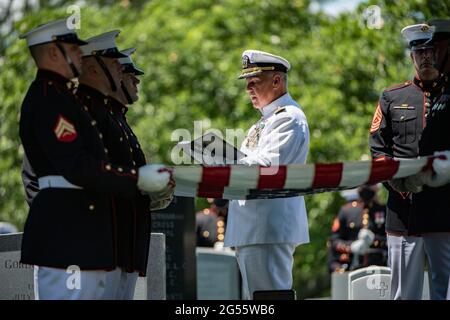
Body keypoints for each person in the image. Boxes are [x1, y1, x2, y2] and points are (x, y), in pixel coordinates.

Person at [18, 18, 171, 300]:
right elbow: (77, 166)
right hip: (69, 231)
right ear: (53, 53)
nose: (80, 53)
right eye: (74, 49)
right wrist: (137, 180)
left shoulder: (62, 98)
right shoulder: (49, 97)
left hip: (87, 232)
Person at [224, 50, 310, 299]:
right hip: (254, 226)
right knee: (259, 299)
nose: (248, 89)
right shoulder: (265, 121)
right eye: (247, 83)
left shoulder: (289, 118)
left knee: (269, 298)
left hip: (268, 226)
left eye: (254, 82)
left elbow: (266, 167)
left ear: (277, 81)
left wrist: (223, 158)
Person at [368, 23, 446, 300]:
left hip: (445, 210)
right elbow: (378, 150)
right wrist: (398, 184)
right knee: (404, 294)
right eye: (419, 52)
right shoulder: (392, 97)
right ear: (411, 57)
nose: (425, 57)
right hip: (404, 211)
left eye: (430, 51)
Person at [404, 19, 450, 300]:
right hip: (431, 209)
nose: (430, 55)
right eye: (424, 51)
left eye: (437, 48)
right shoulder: (445, 92)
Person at [328, 185, 387, 273]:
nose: (367, 189)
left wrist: (374, 240)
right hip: (352, 266)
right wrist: (351, 246)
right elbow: (334, 241)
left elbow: (392, 239)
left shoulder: (383, 210)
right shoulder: (347, 211)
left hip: (380, 266)